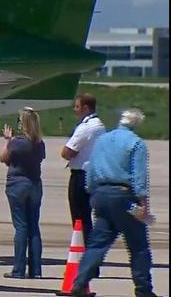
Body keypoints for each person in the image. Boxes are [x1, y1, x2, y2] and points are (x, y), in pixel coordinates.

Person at [71, 109, 159, 297]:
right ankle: (144, 289)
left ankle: (79, 283)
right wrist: (144, 204)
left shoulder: (102, 140)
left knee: (97, 244)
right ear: (136, 124)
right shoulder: (136, 143)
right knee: (139, 246)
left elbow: (91, 168)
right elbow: (139, 176)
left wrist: (92, 192)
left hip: (100, 194)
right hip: (123, 196)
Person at [0, 107, 45, 279]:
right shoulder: (39, 144)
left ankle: (18, 269)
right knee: (34, 227)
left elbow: (3, 158)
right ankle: (36, 270)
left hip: (17, 185)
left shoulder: (17, 142)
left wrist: (7, 140)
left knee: (21, 227)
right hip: (34, 184)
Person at [61, 93, 105, 244]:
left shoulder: (85, 128)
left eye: (77, 106)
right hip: (94, 175)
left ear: (86, 108)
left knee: (79, 217)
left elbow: (66, 152)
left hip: (80, 175)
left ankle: (83, 250)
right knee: (86, 216)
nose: (75, 109)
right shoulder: (100, 126)